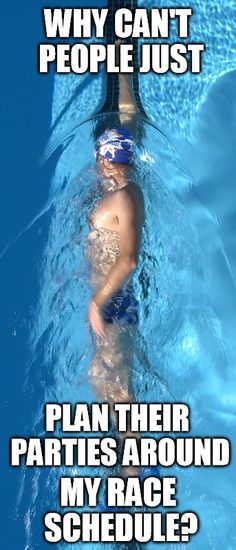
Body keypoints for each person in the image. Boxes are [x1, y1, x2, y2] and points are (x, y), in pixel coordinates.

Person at [86, 67, 144, 417]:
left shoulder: (123, 198)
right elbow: (130, 117)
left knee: (116, 391)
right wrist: (123, 67)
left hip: (112, 300)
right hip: (116, 299)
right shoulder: (127, 186)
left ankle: (132, 470)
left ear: (106, 161)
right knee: (110, 386)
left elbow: (129, 260)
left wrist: (97, 301)